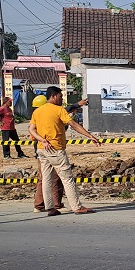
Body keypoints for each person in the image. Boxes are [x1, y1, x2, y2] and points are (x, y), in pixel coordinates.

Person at [29, 85, 101, 216]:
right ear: (53, 96)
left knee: (46, 179)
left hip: (42, 149)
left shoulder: (37, 112)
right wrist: (90, 136)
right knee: (67, 178)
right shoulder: (58, 110)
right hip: (55, 149)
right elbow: (73, 124)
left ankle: (50, 208)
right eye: (60, 96)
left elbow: (31, 129)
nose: (62, 99)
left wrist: (42, 140)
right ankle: (77, 207)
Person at [29, 95, 64, 213]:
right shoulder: (44, 115)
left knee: (44, 179)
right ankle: (54, 204)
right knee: (54, 178)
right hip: (49, 148)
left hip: (40, 149)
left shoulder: (37, 115)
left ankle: (40, 205)